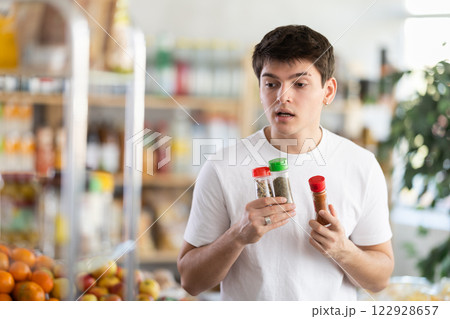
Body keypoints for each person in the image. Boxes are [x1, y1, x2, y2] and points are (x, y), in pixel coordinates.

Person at [177, 25, 394, 301]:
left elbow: (380, 280)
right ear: (259, 89)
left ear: (328, 91)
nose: (282, 96)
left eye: (300, 84)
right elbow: (190, 281)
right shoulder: (222, 166)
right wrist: (237, 236)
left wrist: (343, 250)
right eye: (271, 83)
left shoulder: (362, 165)